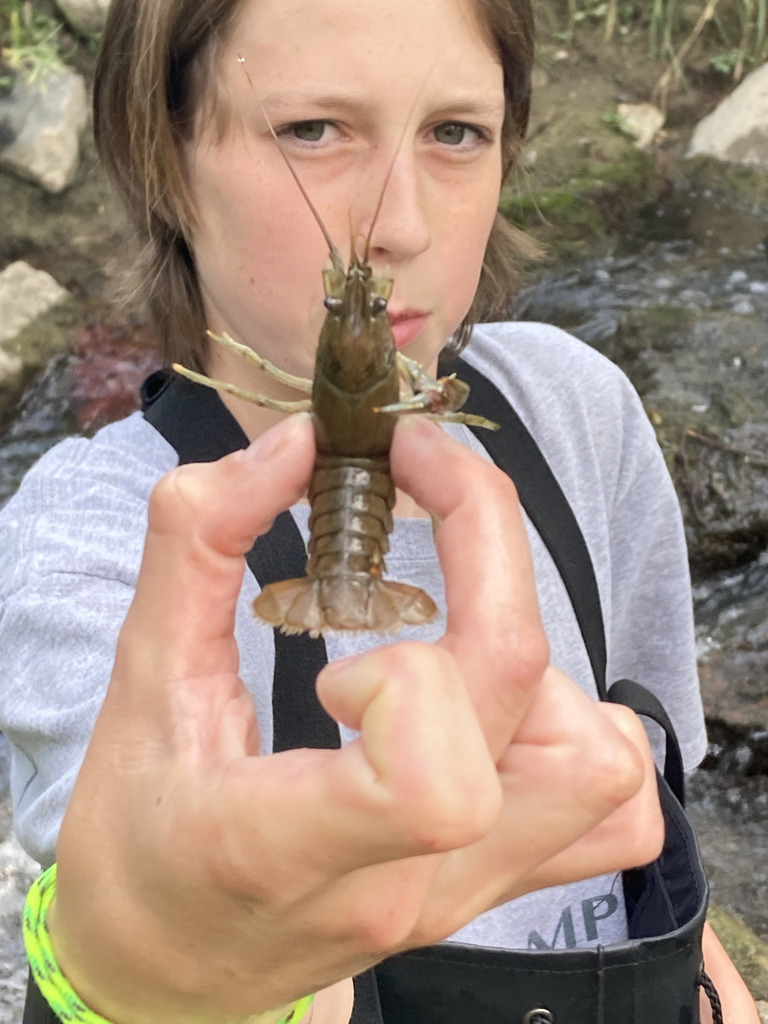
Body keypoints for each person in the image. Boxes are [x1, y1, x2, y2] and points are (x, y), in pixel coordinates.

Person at [0, 0, 759, 1021]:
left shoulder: (579, 412)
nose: (397, 225)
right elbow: (130, 885)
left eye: (457, 132)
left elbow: (650, 818)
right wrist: (152, 962)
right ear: (164, 158)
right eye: (314, 129)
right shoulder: (84, 539)